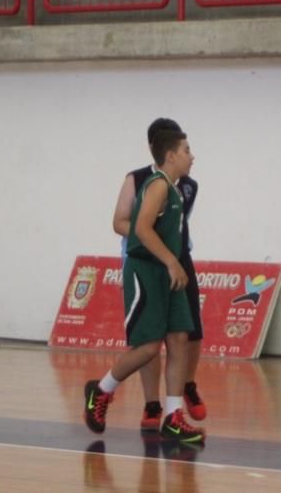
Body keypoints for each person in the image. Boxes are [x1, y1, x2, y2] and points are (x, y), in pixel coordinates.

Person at [84, 129, 203, 442]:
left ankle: (173, 416)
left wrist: (175, 264)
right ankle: (101, 390)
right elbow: (140, 228)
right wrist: (172, 262)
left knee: (179, 339)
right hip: (148, 272)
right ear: (171, 155)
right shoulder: (158, 184)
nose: (192, 156)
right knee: (149, 347)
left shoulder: (179, 190)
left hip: (169, 273)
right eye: (187, 149)